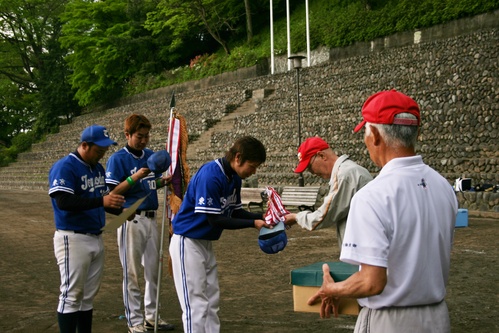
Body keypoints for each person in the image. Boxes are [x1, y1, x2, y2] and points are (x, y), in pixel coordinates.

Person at [309, 90, 458, 332]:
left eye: (366, 133)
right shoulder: (443, 186)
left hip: (391, 320)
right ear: (416, 133)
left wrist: (333, 289)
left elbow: (372, 282)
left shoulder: (371, 196)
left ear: (375, 135)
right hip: (437, 317)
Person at [169, 136, 271, 333]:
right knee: (195, 305)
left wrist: (262, 216)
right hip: (187, 242)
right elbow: (215, 219)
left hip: (204, 243)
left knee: (211, 301)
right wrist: (254, 223)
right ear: (238, 158)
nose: (254, 171)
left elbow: (234, 211)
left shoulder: (233, 177)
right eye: (252, 165)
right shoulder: (211, 175)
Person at [49, 124, 125, 333]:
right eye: (99, 150)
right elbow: (63, 201)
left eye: (105, 150)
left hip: (95, 237)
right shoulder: (65, 166)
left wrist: (122, 211)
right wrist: (103, 201)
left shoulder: (97, 168)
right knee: (71, 295)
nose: (102, 155)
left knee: (87, 296)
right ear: (84, 145)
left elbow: (99, 200)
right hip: (72, 238)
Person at [105, 114, 174, 333]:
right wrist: (134, 177)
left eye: (146, 136)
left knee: (154, 270)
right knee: (132, 272)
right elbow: (112, 192)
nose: (144, 141)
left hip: (152, 217)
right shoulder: (118, 159)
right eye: (139, 136)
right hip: (130, 218)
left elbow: (150, 185)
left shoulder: (151, 156)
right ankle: (134, 320)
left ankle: (152, 316)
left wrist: (162, 182)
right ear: (127, 135)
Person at [284, 137, 372, 249]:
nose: (312, 173)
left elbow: (324, 216)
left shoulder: (344, 175)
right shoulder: (350, 170)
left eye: (310, 167)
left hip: (365, 248)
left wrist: (296, 217)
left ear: (322, 156)